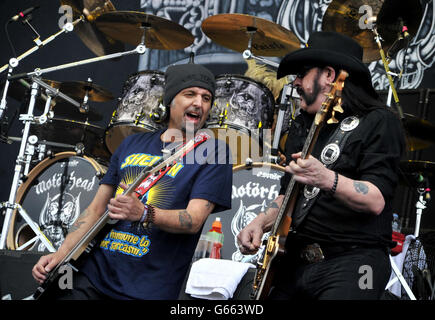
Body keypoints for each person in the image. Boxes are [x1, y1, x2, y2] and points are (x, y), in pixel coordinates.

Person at [32, 63, 233, 300]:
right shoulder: (131, 144)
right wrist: (61, 255)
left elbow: (194, 220)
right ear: (170, 100)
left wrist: (144, 213)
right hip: (92, 276)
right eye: (190, 94)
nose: (199, 103)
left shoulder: (215, 152)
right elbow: (97, 208)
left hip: (146, 290)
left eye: (206, 98)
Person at [237, 31, 406, 300]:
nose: (296, 82)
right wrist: (261, 221)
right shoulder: (302, 125)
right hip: (295, 262)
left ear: (329, 75)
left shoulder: (379, 122)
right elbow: (288, 195)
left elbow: (375, 200)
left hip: (356, 263)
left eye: (303, 73)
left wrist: (326, 178)